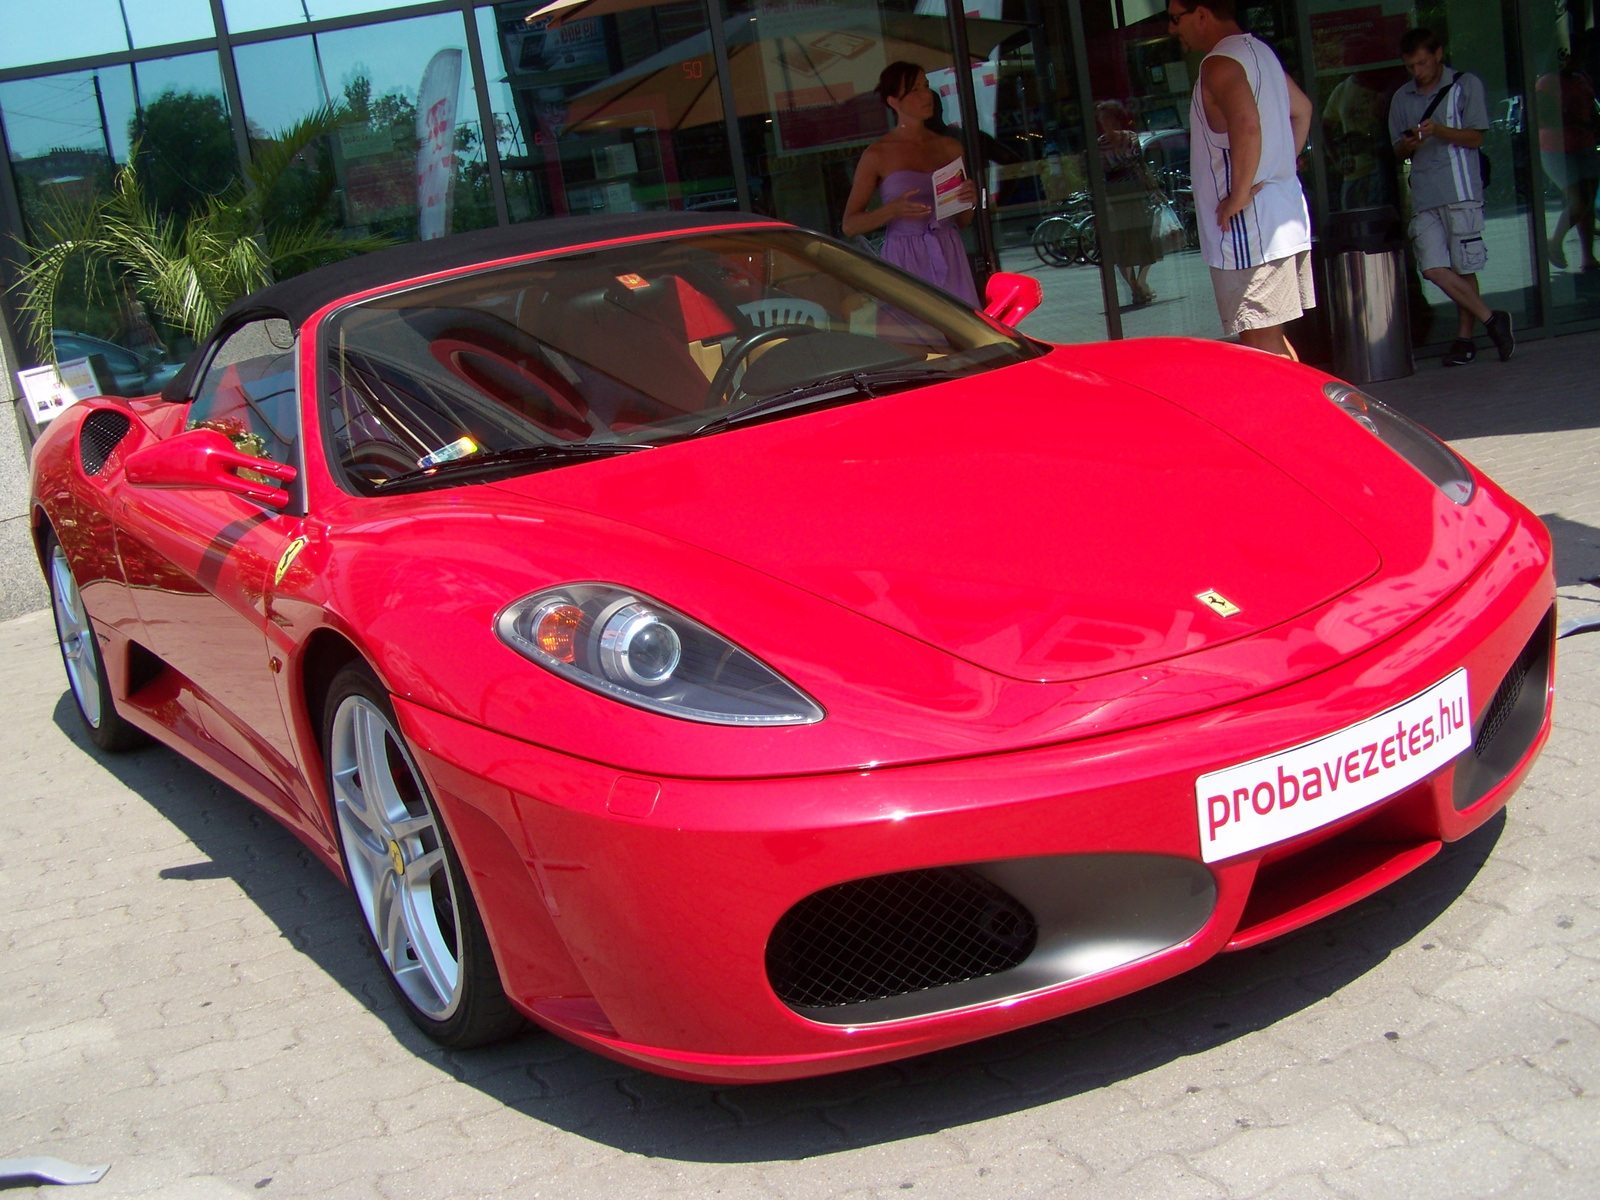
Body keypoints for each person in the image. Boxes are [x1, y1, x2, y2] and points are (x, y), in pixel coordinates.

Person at [1168, 0, 1315, 359]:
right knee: (1270, 341)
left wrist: (1239, 194)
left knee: (1262, 349)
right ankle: (1302, 413)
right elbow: (1303, 110)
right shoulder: (1260, 52)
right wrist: (1278, 167)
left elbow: (1247, 125)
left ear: (1201, 14)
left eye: (1175, 18)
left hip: (1251, 233)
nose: (1172, 29)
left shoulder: (1219, 63)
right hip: (1278, 219)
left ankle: (1296, 416)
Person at [1388, 28, 1515, 365]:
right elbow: (1397, 150)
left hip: (1461, 190)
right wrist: (1409, 145)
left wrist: (1438, 131)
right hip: (1425, 193)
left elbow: (1476, 137)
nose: (1418, 71)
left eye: (1423, 63)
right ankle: (1492, 319)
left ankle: (1464, 338)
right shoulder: (1402, 97)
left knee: (1463, 265)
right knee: (1432, 268)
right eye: (1411, 65)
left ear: (1438, 54)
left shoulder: (1465, 84)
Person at [842, 62, 980, 306]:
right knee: (912, 338)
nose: (926, 94)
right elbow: (850, 225)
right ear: (894, 101)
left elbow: (964, 220)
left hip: (948, 249)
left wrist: (968, 199)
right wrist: (891, 210)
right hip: (904, 257)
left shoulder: (950, 147)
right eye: (915, 89)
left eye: (926, 86)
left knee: (960, 336)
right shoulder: (877, 154)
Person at [1535, 32, 1598, 272]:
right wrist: (1573, 122)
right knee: (1578, 199)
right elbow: (1544, 116)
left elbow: (1590, 109)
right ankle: (1555, 241)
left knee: (1588, 201)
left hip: (1584, 145)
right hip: (1557, 149)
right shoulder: (1548, 82)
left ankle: (1587, 256)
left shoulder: (1580, 79)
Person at [1097, 100, 1164, 306]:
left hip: (1135, 193)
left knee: (1145, 237)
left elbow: (1141, 167)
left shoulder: (1132, 139)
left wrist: (1155, 190)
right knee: (1121, 243)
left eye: (1107, 117)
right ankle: (1135, 287)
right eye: (1101, 119)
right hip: (1114, 197)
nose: (1104, 122)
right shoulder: (1099, 145)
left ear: (1116, 118)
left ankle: (1141, 282)